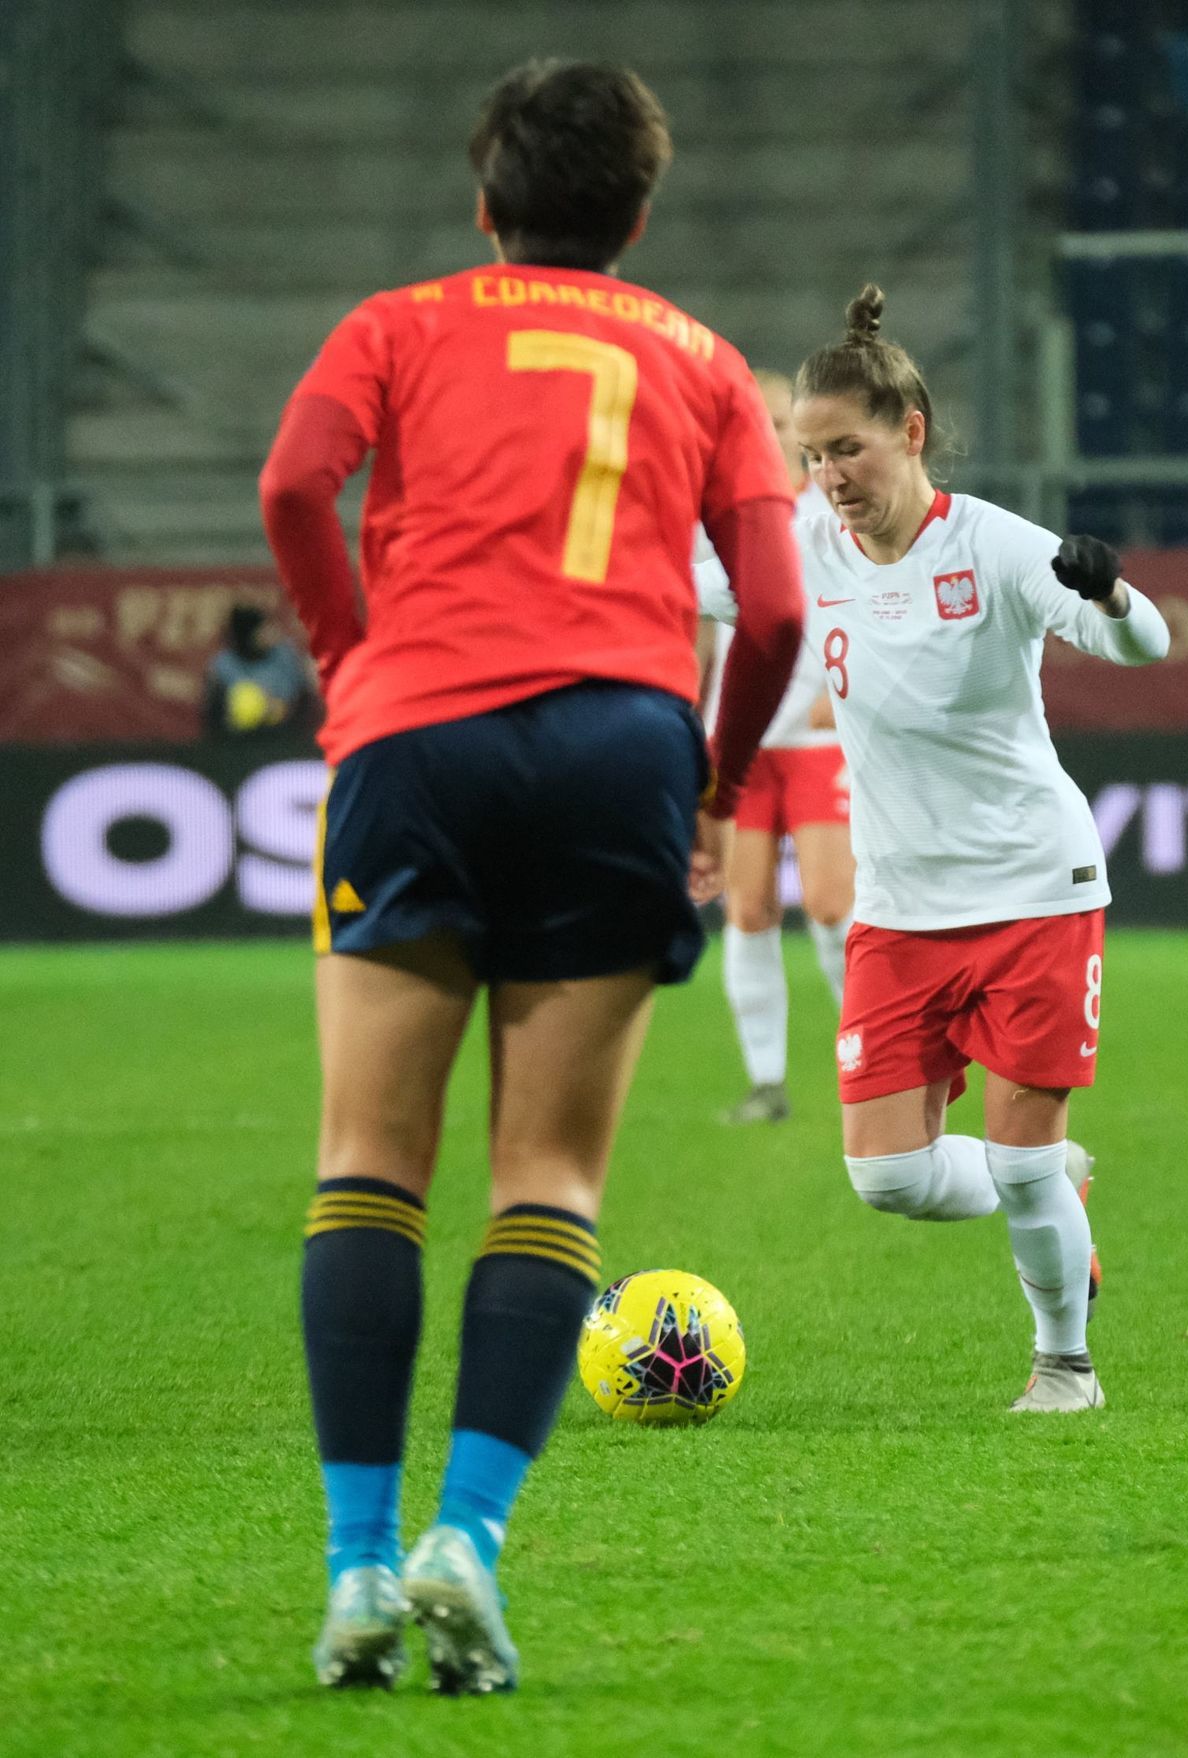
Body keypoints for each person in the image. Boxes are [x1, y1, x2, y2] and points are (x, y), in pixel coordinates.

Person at [259, 60, 803, 1696]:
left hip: (416, 731)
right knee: (545, 1173)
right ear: (636, 216)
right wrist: (707, 778)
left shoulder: (398, 322)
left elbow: (295, 487)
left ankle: (356, 1565)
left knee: (368, 1158)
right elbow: (771, 612)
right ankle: (467, 1543)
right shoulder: (704, 358)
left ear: (484, 200)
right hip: (622, 744)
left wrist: (353, 655)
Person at [696, 283, 1169, 1414]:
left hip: (1033, 891)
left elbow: (1141, 643)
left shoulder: (997, 546)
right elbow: (683, 580)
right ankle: (1061, 1181)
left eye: (847, 450)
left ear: (909, 433)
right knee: (888, 1179)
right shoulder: (808, 546)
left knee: (1011, 1154)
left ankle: (1065, 1365)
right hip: (903, 911)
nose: (829, 479)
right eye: (811, 457)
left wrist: (1108, 588)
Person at [698, 370, 855, 1123]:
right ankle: (767, 1084)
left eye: (778, 416)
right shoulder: (718, 508)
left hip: (815, 737)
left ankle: (871, 1058)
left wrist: (844, 683)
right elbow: (697, 619)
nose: (767, 428)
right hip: (738, 737)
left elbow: (868, 596)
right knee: (748, 907)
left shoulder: (831, 508)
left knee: (831, 903)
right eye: (754, 417)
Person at [202, 602, 314, 735]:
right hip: (238, 741)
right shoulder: (223, 665)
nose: (271, 633)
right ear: (248, 636)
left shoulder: (285, 656)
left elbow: (303, 699)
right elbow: (214, 716)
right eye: (262, 629)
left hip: (282, 737)